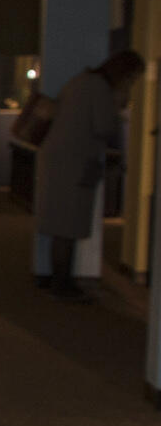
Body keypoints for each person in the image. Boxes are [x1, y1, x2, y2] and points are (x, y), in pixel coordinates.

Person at [34, 49, 143, 300]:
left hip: (61, 159)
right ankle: (62, 283)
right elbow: (104, 126)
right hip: (74, 162)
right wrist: (119, 106)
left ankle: (59, 280)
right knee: (67, 224)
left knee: (61, 223)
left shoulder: (82, 82)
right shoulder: (99, 89)